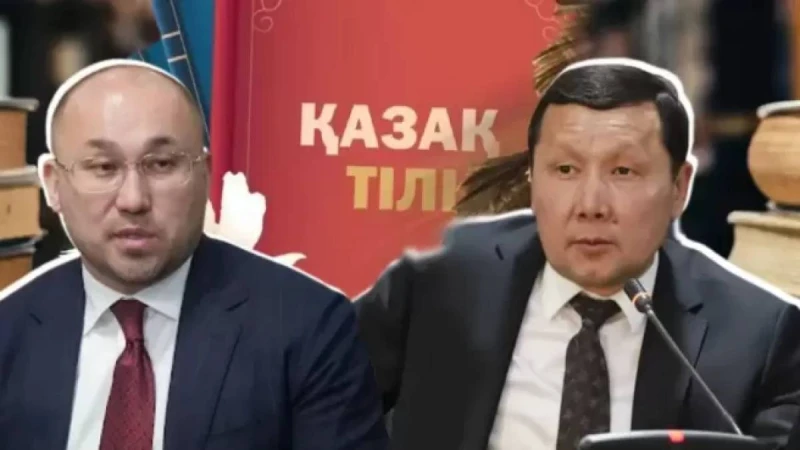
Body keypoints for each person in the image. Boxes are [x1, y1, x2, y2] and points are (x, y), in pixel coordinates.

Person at [355, 58, 800, 450]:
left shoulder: (761, 337)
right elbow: (323, 395)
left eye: (623, 171)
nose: (590, 205)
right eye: (565, 169)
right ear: (533, 179)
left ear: (679, 187)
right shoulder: (436, 283)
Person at [0, 59, 387, 450]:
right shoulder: (9, 329)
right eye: (103, 167)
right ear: (53, 184)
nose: (133, 199)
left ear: (205, 174)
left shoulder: (308, 326)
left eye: (162, 164)